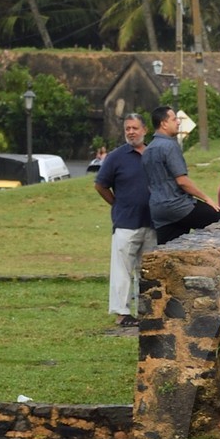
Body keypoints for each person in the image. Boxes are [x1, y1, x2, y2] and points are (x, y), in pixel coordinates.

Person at [94, 112, 154, 331]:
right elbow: (100, 185)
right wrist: (116, 204)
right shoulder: (116, 157)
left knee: (148, 269)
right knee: (122, 269)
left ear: (144, 130)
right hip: (126, 222)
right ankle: (122, 312)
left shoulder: (153, 154)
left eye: (134, 128)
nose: (131, 132)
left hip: (152, 221)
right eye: (127, 128)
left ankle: (147, 310)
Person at [143, 101, 220, 245]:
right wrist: (206, 199)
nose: (178, 122)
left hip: (158, 210)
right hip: (179, 206)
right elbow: (182, 181)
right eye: (174, 119)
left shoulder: (147, 150)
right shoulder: (169, 146)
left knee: (169, 253)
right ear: (164, 124)